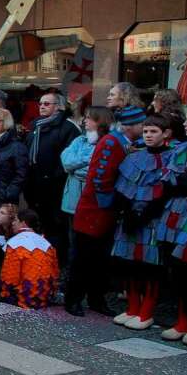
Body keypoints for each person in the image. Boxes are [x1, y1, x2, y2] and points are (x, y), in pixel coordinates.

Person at [69, 105, 146, 316]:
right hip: (95, 209)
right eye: (141, 124)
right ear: (132, 126)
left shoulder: (124, 142)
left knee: (100, 260)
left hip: (106, 210)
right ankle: (73, 298)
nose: (144, 128)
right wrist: (114, 203)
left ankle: (96, 299)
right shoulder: (111, 143)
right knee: (83, 258)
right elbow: (100, 177)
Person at [110, 113, 173, 330]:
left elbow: (165, 192)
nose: (148, 135)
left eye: (153, 131)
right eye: (145, 131)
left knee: (150, 267)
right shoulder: (134, 158)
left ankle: (146, 311)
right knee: (129, 264)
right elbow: (123, 188)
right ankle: (132, 308)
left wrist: (146, 214)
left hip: (153, 219)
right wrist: (126, 212)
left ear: (166, 134)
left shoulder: (172, 158)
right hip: (130, 218)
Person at [60, 106, 114, 313]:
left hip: (98, 205)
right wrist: (85, 162)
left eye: (90, 119)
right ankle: (73, 298)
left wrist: (80, 167)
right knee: (78, 253)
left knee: (99, 255)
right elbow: (66, 162)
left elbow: (96, 171)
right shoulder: (79, 141)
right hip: (74, 204)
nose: (85, 122)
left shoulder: (108, 143)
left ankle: (96, 298)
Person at [24, 92, 80, 267]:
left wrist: (53, 177)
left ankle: (55, 263)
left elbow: (67, 158)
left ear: (59, 107)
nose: (42, 106)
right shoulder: (35, 126)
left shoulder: (68, 128)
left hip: (54, 187)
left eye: (47, 104)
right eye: (40, 103)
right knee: (37, 223)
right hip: (34, 183)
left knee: (56, 227)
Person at [159, 108, 187, 344]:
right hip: (177, 213)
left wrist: (185, 183)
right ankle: (182, 321)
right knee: (179, 269)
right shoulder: (183, 148)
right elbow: (169, 178)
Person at [0, 207, 59, 309]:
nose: (13, 223)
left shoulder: (15, 243)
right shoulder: (47, 244)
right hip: (44, 298)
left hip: (24, 298)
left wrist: (5, 294)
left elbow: (10, 278)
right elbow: (55, 274)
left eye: (15, 220)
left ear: (23, 223)